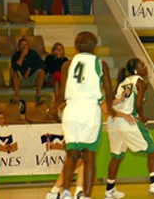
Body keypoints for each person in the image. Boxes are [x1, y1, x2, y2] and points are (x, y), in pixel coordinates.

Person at [58, 31, 135, 199]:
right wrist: (112, 110)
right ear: (94, 46)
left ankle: (64, 192)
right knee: (88, 155)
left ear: (76, 46)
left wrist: (60, 104)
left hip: (71, 110)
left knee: (71, 154)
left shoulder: (67, 64)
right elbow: (108, 91)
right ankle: (85, 195)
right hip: (89, 110)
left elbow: (61, 91)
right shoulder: (101, 64)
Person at [105, 58, 154, 199]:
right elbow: (138, 106)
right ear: (137, 70)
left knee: (116, 156)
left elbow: (110, 101)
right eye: (142, 65)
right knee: (152, 150)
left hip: (113, 122)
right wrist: (143, 117)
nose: (145, 67)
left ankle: (110, 190)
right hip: (128, 120)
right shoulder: (141, 81)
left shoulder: (122, 82)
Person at [11, 37, 46, 105]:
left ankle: (38, 95)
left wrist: (30, 70)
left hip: (32, 77)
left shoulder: (33, 54)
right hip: (21, 79)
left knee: (41, 72)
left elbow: (42, 65)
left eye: (26, 45)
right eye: (22, 45)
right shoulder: (16, 55)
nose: (24, 47)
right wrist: (22, 56)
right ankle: (17, 96)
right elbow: (15, 67)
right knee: (16, 73)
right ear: (18, 47)